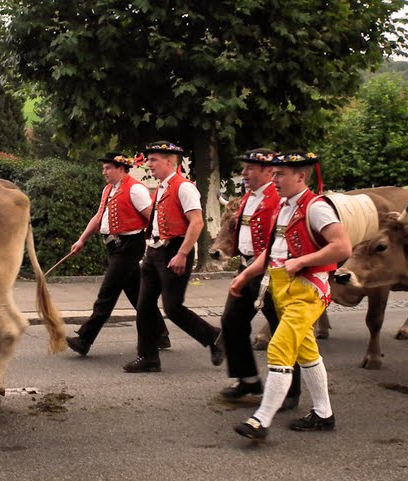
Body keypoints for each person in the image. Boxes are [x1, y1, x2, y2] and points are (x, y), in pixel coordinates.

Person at [230, 151, 352, 441]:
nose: (275, 179)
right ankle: (324, 414)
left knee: (279, 348)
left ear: (301, 176)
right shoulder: (283, 206)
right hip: (284, 288)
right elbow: (272, 252)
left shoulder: (316, 207)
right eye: (274, 173)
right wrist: (245, 275)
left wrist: (304, 260)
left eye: (281, 174)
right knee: (306, 352)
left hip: (308, 291)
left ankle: (261, 420)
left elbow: (343, 247)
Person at [123, 141, 225, 373]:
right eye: (148, 160)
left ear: (169, 162)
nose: (149, 164)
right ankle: (148, 357)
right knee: (145, 306)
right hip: (155, 252)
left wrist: (182, 253)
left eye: (154, 160)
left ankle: (215, 337)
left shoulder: (184, 187)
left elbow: (197, 222)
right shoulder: (161, 187)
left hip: (175, 251)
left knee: (173, 307)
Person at [218, 149, 300, 412]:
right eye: (244, 168)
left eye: (249, 169)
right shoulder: (248, 199)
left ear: (267, 171)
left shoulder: (278, 200)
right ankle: (249, 380)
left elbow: (276, 242)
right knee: (232, 320)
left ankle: (290, 391)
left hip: (269, 272)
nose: (243, 174)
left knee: (280, 330)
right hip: (247, 267)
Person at [66, 153, 170, 356]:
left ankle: (85, 339)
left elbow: (153, 217)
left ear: (121, 168)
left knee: (107, 293)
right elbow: (99, 217)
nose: (104, 172)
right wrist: (82, 240)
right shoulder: (109, 190)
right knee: (137, 293)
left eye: (108, 168)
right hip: (114, 247)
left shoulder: (136, 189)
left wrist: (160, 243)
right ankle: (160, 333)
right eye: (104, 168)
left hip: (129, 246)